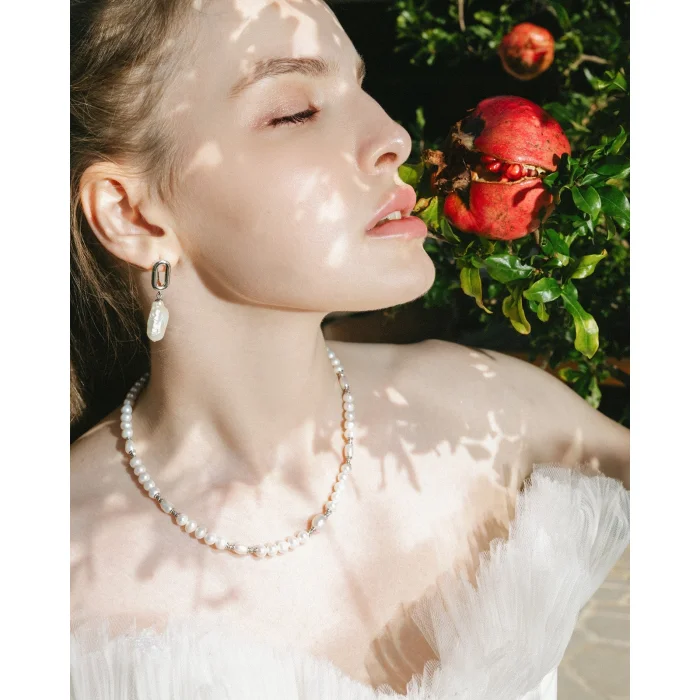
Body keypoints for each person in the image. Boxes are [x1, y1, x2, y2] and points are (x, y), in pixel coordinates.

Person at [69, 1, 630, 698]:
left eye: (361, 86)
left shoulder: (493, 413)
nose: (395, 136)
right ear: (130, 213)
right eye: (296, 112)